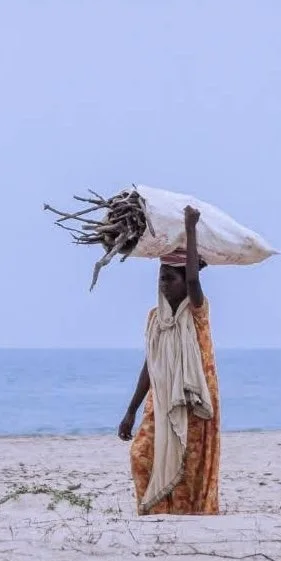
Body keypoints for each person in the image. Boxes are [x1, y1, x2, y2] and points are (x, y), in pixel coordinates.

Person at [117, 205, 221, 515]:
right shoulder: (155, 319)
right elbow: (150, 363)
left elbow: (192, 282)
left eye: (170, 278)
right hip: (162, 397)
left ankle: (187, 515)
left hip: (194, 394)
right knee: (142, 454)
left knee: (190, 462)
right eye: (162, 277)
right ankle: (157, 509)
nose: (164, 284)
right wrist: (130, 411)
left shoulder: (196, 310)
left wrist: (190, 229)